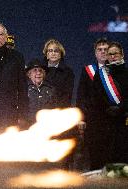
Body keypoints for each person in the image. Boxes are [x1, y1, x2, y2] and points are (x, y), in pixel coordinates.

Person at [76, 38, 119, 170]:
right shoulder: (88, 70)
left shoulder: (118, 70)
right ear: (95, 53)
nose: (103, 52)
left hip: (114, 119)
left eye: (105, 49)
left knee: (113, 156)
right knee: (94, 157)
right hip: (93, 120)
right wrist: (82, 118)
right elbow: (81, 96)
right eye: (99, 50)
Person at [105, 41, 128, 163]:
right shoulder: (102, 75)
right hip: (107, 122)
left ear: (122, 55)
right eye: (110, 54)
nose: (113, 56)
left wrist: (121, 108)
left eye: (115, 53)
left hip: (124, 121)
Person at [42, 39, 75, 108]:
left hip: (59, 111)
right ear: (46, 54)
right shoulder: (39, 70)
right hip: (41, 111)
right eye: (50, 51)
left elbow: (67, 95)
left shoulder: (68, 72)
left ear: (60, 54)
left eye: (56, 51)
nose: (53, 53)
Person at [26, 58, 57, 124]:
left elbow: (54, 108)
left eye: (41, 71)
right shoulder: (23, 89)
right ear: (29, 74)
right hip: (28, 125)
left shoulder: (51, 89)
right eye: (35, 70)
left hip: (46, 125)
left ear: (44, 74)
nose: (38, 73)